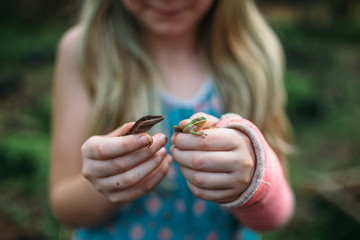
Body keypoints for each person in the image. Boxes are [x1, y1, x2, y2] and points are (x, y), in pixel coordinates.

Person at [49, 0, 295, 239]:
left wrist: (254, 179)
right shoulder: (85, 49)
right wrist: (109, 181)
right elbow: (64, 206)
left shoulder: (254, 54)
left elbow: (276, 217)